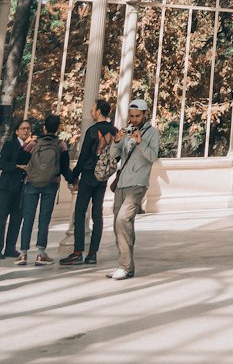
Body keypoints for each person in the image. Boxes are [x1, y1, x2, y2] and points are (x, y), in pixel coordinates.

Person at [106, 99, 160, 280]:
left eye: (138, 116)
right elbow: (113, 156)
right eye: (132, 116)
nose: (134, 119)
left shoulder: (152, 133)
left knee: (123, 219)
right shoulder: (125, 132)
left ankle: (125, 265)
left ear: (145, 114)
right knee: (119, 224)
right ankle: (126, 266)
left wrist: (140, 142)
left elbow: (152, 157)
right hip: (122, 183)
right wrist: (116, 141)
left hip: (138, 183)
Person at [60, 98, 116, 266]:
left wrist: (73, 176)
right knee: (97, 215)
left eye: (93, 109)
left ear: (99, 111)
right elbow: (117, 155)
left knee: (79, 213)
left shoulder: (92, 131)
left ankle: (77, 253)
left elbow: (83, 156)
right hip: (102, 177)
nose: (91, 112)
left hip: (88, 176)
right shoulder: (114, 131)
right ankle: (92, 254)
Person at [18, 113, 72, 265]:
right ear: (58, 128)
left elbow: (20, 159)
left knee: (28, 218)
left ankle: (23, 253)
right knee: (44, 219)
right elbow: (64, 167)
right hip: (51, 183)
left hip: (32, 183)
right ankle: (41, 253)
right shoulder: (61, 145)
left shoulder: (34, 143)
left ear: (44, 127)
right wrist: (72, 179)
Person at [0, 119, 33, 257]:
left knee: (16, 219)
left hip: (22, 188)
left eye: (28, 128)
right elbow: (2, 163)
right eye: (23, 128)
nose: (26, 131)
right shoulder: (10, 144)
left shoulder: (31, 147)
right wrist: (17, 166)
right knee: (2, 218)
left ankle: (10, 247)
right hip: (7, 187)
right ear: (17, 131)